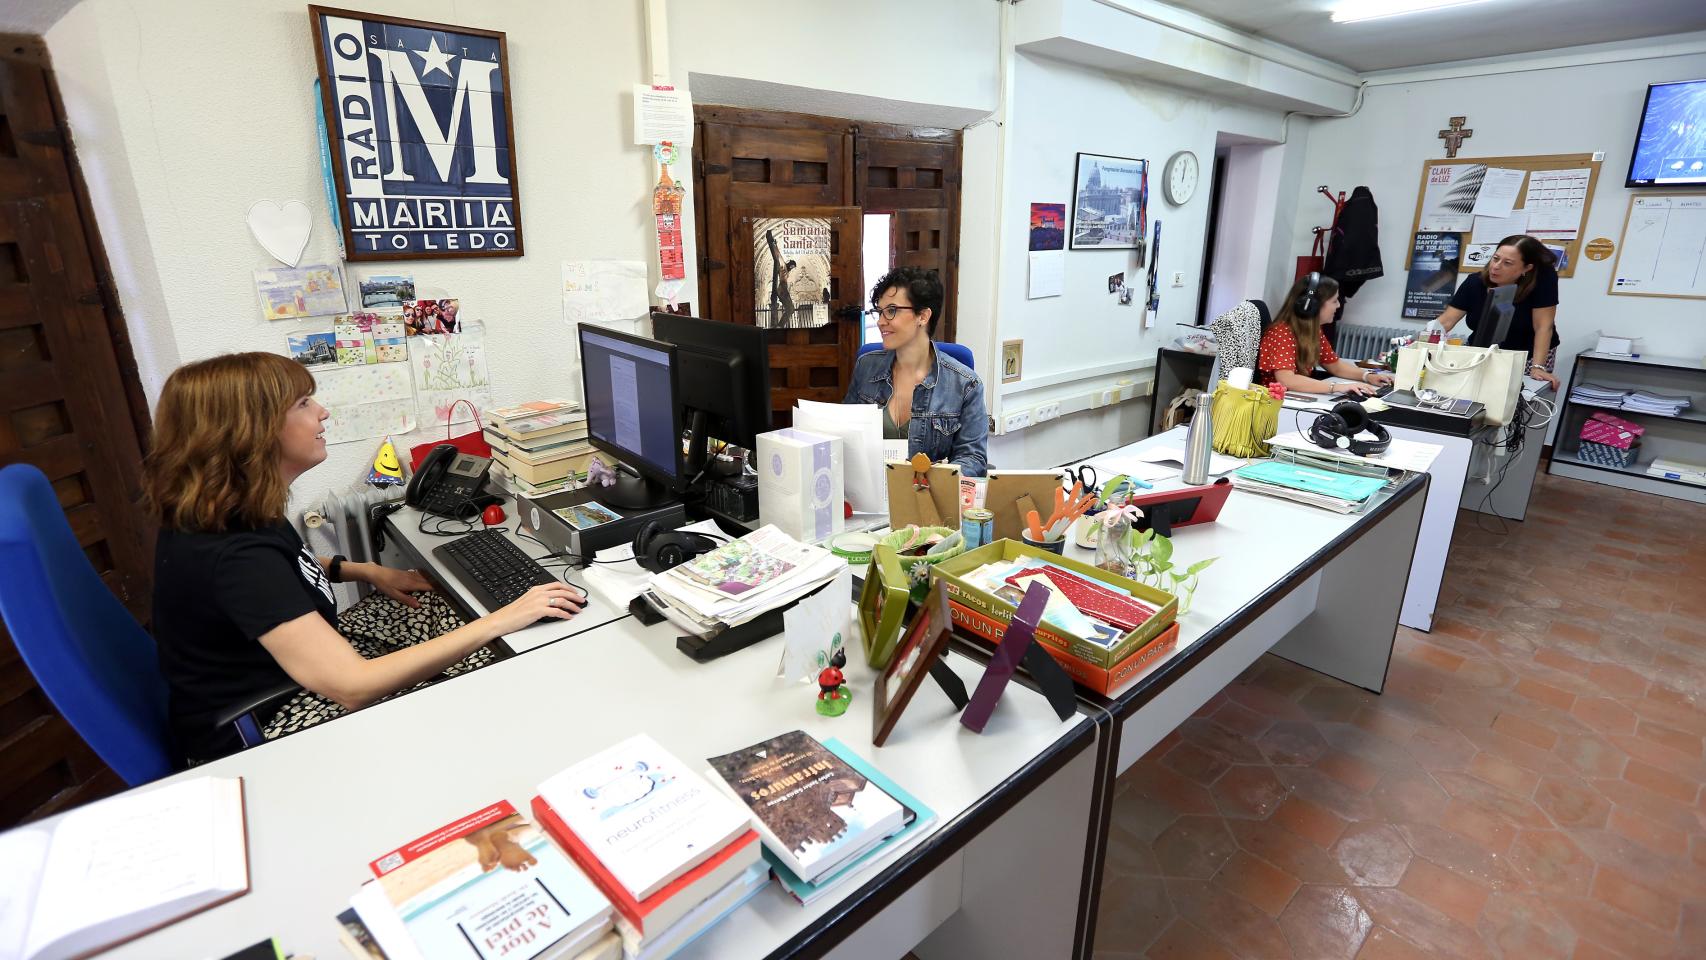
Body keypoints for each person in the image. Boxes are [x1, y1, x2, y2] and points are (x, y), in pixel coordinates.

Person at [143, 352, 585, 765]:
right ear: (250, 431)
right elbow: (352, 687)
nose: (322, 412)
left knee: (446, 605)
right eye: (302, 403)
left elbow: (282, 576)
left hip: (292, 673)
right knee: (498, 656)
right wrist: (503, 618)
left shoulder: (225, 509)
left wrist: (364, 570)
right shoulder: (236, 553)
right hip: (274, 722)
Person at [843, 266, 988, 476]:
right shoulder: (866, 367)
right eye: (879, 311)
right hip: (868, 497)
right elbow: (846, 432)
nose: (881, 321)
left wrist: (931, 480)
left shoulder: (966, 384)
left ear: (923, 316)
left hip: (928, 500)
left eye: (891, 311)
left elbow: (973, 459)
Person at [1437, 234, 1561, 390]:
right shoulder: (1474, 283)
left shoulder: (1542, 282)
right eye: (1495, 259)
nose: (1496, 266)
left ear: (1527, 268)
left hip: (1530, 354)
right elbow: (1446, 321)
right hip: (1483, 349)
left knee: (1517, 400)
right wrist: (1417, 348)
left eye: (1507, 263)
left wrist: (1538, 367)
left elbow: (1543, 327)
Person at [1257, 272, 1394, 395]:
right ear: (1311, 306)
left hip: (1295, 397)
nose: (1338, 306)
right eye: (1334, 301)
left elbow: (1335, 365)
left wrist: (1367, 376)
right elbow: (1287, 380)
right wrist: (1336, 387)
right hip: (1276, 404)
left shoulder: (1312, 331)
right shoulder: (1281, 333)